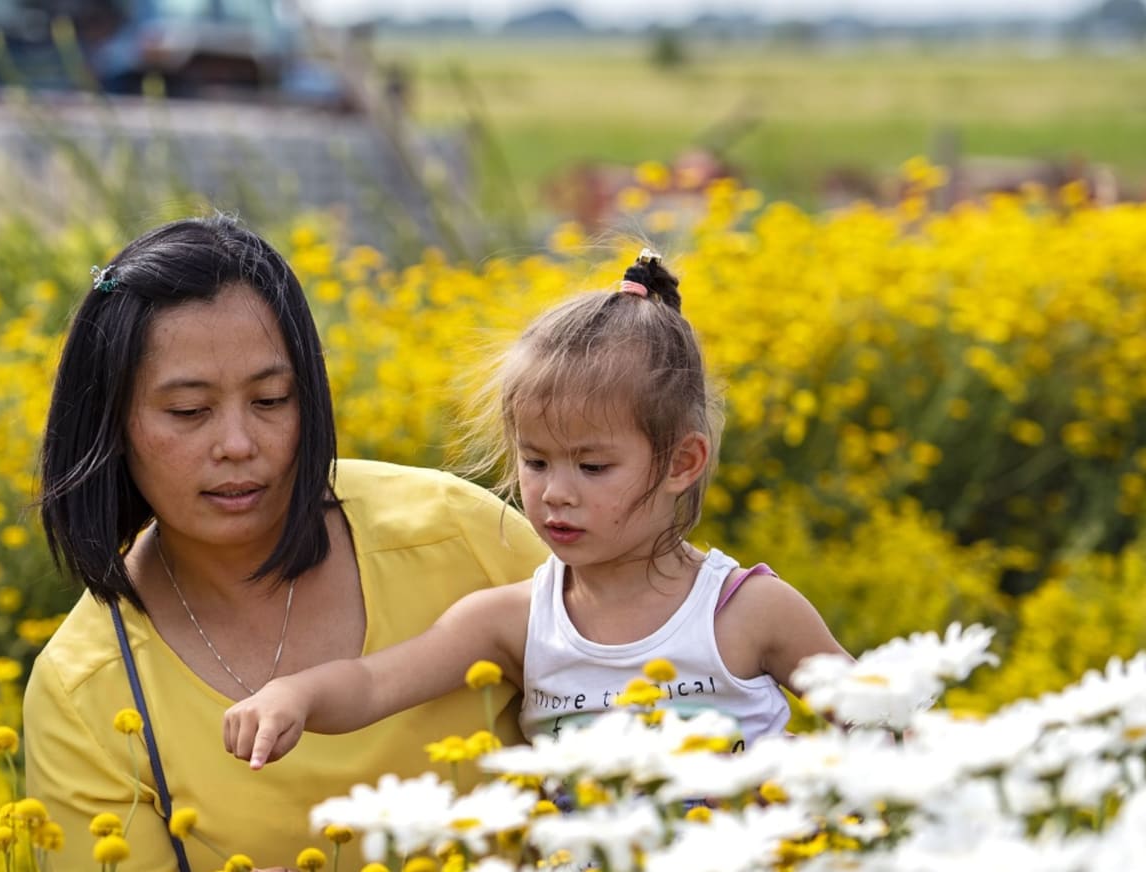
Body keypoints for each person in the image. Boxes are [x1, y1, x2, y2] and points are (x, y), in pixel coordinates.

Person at [23, 215, 551, 871]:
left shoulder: (457, 534)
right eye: (189, 412)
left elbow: (651, 704)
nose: (238, 444)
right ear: (111, 426)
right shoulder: (85, 692)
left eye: (272, 400)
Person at [224, 250, 852, 768]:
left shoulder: (747, 612)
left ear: (681, 463)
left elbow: (889, 722)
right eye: (537, 461)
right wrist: (294, 695)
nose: (555, 492)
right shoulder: (516, 620)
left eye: (593, 466)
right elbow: (375, 683)